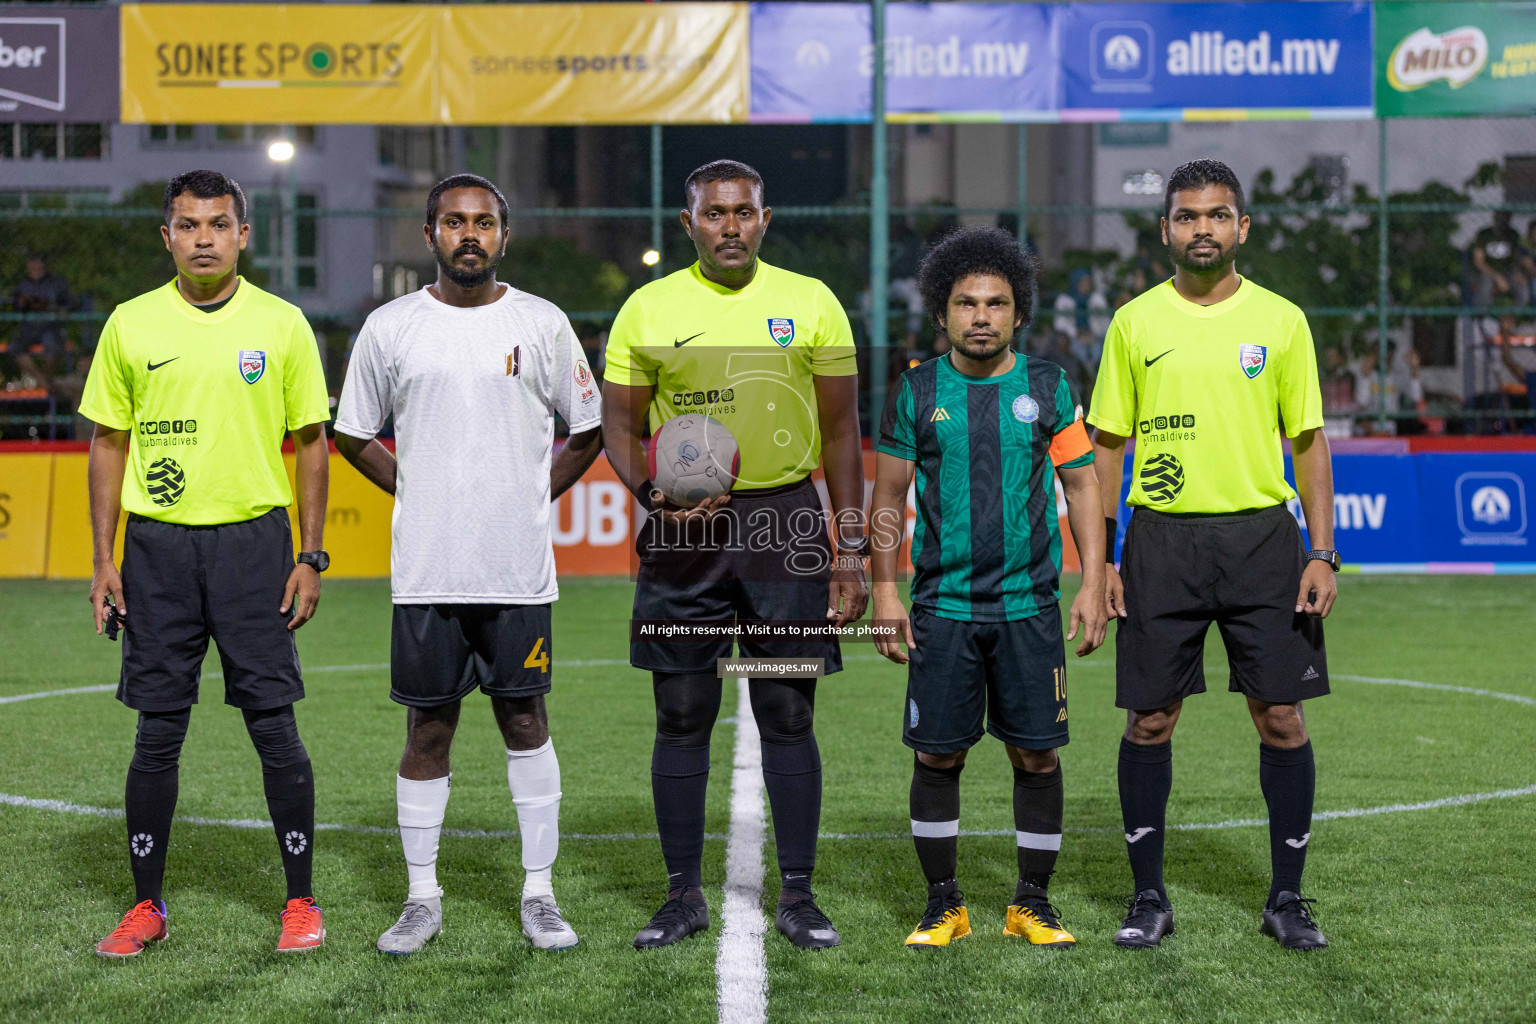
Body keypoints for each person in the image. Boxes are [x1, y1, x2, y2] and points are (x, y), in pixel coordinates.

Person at [601, 159, 867, 950]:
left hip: (784, 525)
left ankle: (798, 895)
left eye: (742, 212)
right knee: (682, 711)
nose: (729, 226)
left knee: (786, 709)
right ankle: (682, 893)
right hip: (686, 530)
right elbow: (619, 425)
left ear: (765, 218)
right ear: (689, 224)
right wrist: (653, 497)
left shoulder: (810, 302)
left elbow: (843, 433)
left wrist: (848, 545)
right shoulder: (649, 308)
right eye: (713, 214)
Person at [334, 173, 603, 955]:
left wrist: (530, 494)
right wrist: (412, 490)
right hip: (428, 570)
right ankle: (423, 899)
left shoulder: (542, 323)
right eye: (453, 222)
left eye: (484, 221)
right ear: (430, 236)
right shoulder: (391, 327)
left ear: (504, 235)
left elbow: (584, 429)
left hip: (515, 570)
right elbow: (352, 433)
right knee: (428, 731)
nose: (470, 234)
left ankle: (540, 893)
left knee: (526, 719)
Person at [1088, 159, 1338, 951]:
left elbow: (1309, 441)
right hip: (1161, 542)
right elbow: (1104, 449)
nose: (1203, 228)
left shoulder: (1282, 321)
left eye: (1218, 215)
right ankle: (1148, 897)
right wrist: (1100, 562)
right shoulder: (1134, 322)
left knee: (1283, 719)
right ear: (1164, 229)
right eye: (1188, 216)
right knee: (1151, 721)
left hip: (1265, 541)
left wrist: (1322, 552)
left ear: (1242, 228)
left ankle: (1288, 899)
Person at [80, 170, 332, 957]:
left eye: (218, 224)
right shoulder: (130, 324)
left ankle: (301, 902)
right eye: (187, 226)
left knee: (274, 726)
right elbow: (108, 443)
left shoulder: (283, 324)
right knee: (157, 733)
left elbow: (313, 444)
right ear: (167, 237)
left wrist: (310, 554)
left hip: (254, 546)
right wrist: (102, 560)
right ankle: (146, 906)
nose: (203, 239)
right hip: (156, 551)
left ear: (243, 234)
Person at [869, 227, 1107, 950]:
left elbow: (1082, 485)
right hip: (943, 609)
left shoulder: (1048, 386)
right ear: (941, 312)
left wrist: (1094, 581)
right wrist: (885, 591)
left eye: (996, 303)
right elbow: (886, 497)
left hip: (1029, 609)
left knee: (1036, 756)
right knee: (937, 756)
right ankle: (944, 904)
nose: (981, 316)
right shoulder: (914, 390)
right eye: (966, 302)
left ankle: (1032, 903)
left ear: (1018, 311)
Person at [1471, 210, 1530, 310]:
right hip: (1488, 271)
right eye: (1499, 220)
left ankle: (1511, 317)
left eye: (1504, 221)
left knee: (1523, 292)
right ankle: (1481, 316)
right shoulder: (1484, 235)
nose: (1501, 223)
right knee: (1485, 289)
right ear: (1494, 220)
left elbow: (1516, 258)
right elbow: (1479, 262)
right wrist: (1497, 277)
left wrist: (1519, 273)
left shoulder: (1512, 234)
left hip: (1507, 271)